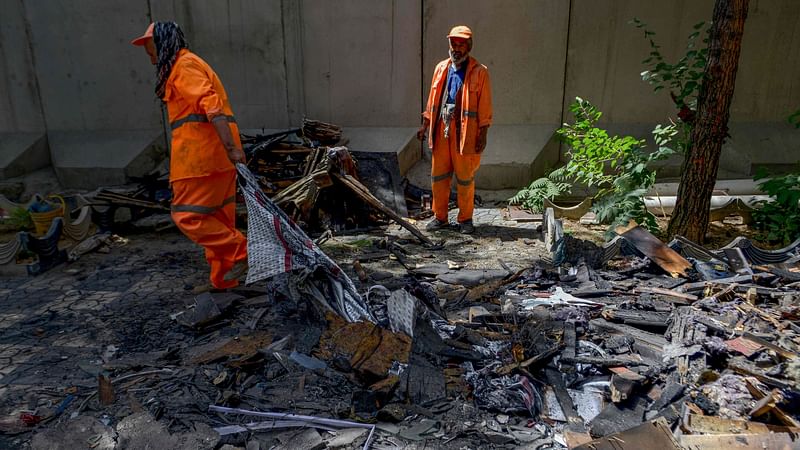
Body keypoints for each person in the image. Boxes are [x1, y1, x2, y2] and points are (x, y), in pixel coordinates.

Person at [132, 22, 248, 293]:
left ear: (162, 42)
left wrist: (232, 150)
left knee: (187, 216)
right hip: (214, 160)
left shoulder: (184, 66)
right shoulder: (188, 65)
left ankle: (242, 253)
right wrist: (231, 151)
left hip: (201, 161)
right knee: (218, 221)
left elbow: (212, 108)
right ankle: (224, 280)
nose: (149, 54)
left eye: (150, 47)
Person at [417, 25, 492, 234]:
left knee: (465, 178)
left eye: (461, 44)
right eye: (453, 44)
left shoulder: (480, 72)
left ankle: (465, 219)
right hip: (441, 128)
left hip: (465, 133)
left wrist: (483, 134)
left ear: (468, 46)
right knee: (438, 176)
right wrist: (425, 125)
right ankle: (439, 217)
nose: (456, 48)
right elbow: (432, 101)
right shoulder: (441, 68)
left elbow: (485, 105)